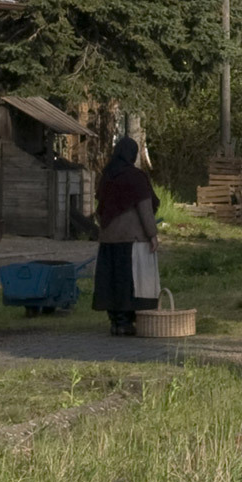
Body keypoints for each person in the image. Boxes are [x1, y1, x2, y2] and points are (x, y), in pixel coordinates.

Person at [91, 136, 159, 336]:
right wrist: (152, 234)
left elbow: (100, 208)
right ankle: (125, 323)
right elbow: (145, 208)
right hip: (131, 240)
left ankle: (116, 322)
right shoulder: (136, 177)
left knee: (112, 281)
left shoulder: (107, 176)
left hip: (108, 240)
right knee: (129, 283)